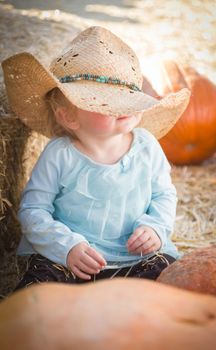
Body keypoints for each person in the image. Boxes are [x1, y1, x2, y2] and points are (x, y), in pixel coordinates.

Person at [2, 26, 190, 289]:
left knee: (167, 277)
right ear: (68, 116)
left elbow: (164, 195)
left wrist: (155, 228)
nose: (123, 107)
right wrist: (67, 247)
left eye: (128, 98)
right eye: (105, 101)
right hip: (75, 259)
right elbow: (33, 209)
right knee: (39, 288)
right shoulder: (60, 154)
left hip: (136, 257)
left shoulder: (147, 146)